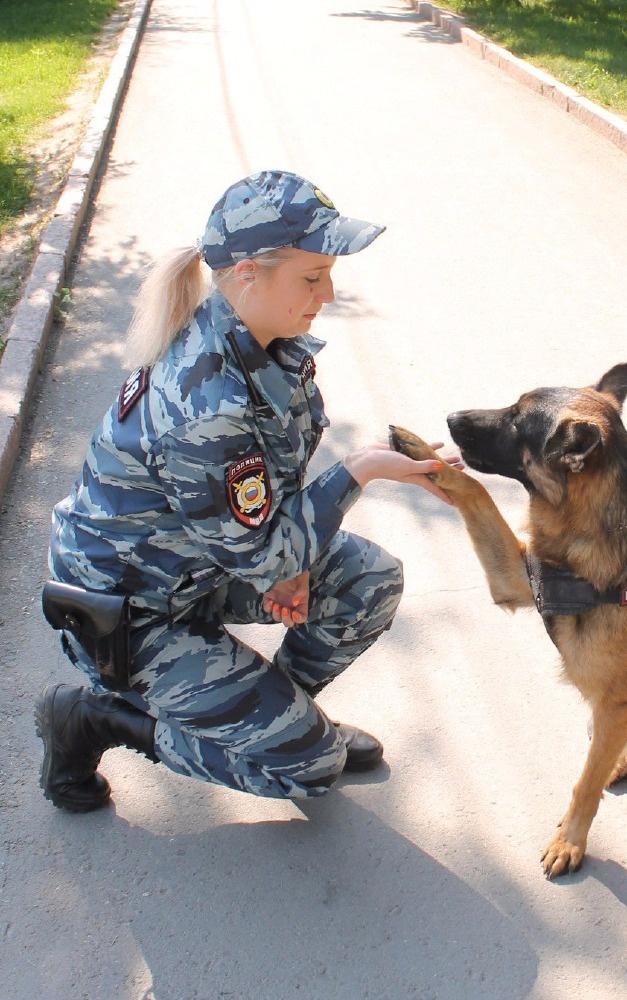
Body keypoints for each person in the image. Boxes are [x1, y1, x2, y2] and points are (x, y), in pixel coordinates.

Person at [35, 169, 454, 811]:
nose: (329, 293)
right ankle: (98, 719)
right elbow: (269, 548)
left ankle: (276, 724)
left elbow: (273, 490)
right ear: (248, 276)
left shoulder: (264, 342)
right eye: (312, 278)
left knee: (368, 580)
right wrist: (362, 469)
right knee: (309, 774)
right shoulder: (206, 404)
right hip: (133, 611)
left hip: (205, 563)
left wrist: (291, 558)